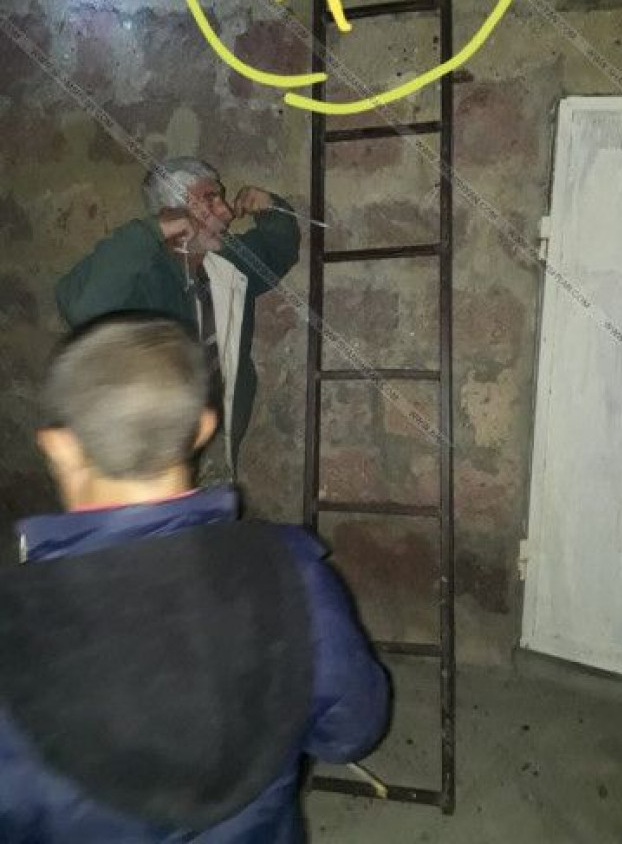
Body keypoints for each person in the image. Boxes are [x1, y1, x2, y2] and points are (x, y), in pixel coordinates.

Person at [0, 315, 389, 843]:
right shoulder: (292, 571)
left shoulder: (13, 632)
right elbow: (351, 731)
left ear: (59, 446)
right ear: (204, 429)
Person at [55, 157, 301, 480]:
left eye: (222, 198)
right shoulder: (141, 278)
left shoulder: (226, 267)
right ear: (172, 213)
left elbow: (278, 249)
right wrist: (149, 230)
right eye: (211, 199)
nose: (227, 212)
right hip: (148, 460)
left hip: (216, 450)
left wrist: (270, 207)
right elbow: (80, 306)